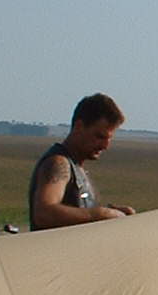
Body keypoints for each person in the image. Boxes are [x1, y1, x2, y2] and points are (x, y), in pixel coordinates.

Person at [28, 93, 135, 230]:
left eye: (109, 138)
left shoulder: (76, 166)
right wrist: (102, 214)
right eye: (99, 136)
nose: (105, 146)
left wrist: (114, 214)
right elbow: (44, 213)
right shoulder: (59, 163)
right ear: (79, 127)